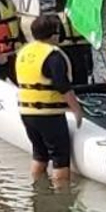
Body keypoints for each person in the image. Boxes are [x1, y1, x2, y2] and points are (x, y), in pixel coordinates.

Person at [16, 14, 84, 185]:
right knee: (60, 157)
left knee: (39, 153)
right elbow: (62, 86)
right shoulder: (53, 55)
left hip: (26, 112)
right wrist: (77, 110)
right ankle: (60, 200)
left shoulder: (24, 51)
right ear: (54, 34)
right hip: (49, 114)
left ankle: (37, 190)